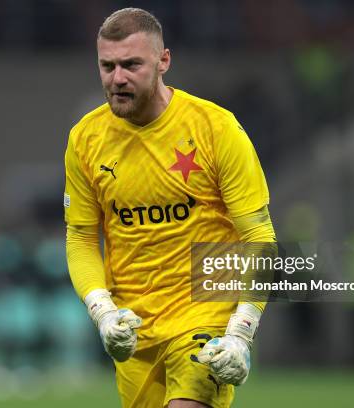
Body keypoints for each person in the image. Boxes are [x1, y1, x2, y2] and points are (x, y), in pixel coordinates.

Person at [64, 8, 276, 408]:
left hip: (205, 314)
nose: (117, 78)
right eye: (107, 66)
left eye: (131, 64)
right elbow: (80, 238)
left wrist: (241, 332)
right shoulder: (85, 139)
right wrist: (103, 311)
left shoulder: (215, 129)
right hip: (134, 328)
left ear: (164, 61)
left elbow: (259, 237)